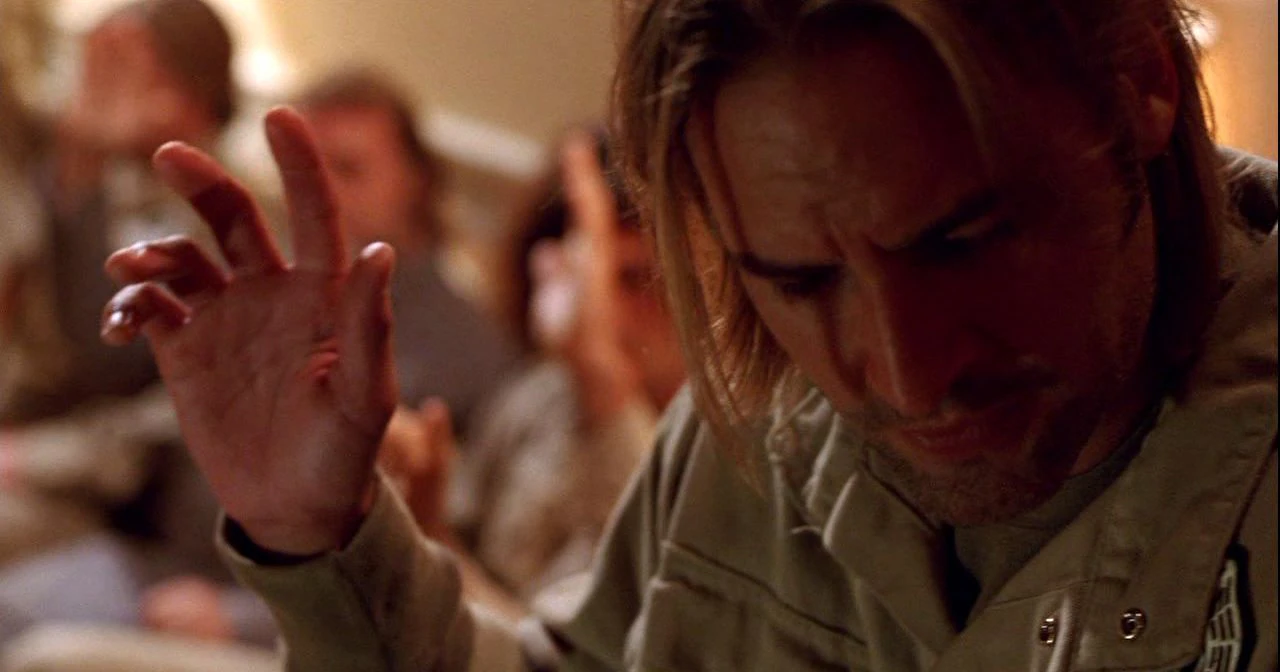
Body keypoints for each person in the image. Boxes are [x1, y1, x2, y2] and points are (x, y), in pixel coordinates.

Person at [101, 0, 1276, 670]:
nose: (907, 374)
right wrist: (321, 540)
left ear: (1141, 82)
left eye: (964, 242)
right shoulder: (760, 414)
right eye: (800, 279)